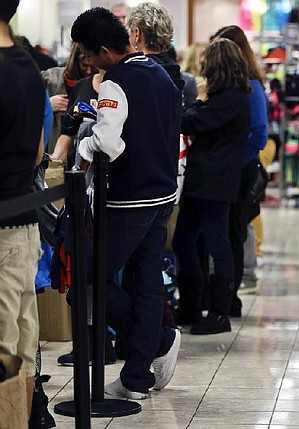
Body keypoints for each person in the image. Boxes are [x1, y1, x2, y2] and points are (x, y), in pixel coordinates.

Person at [71, 6, 182, 399]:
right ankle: (137, 376)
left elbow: (107, 143)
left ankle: (158, 340)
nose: (86, 62)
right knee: (147, 282)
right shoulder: (162, 74)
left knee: (89, 277)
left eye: (87, 53)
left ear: (103, 49)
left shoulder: (116, 83)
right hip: (162, 195)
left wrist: (83, 144)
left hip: (127, 200)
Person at [172, 38, 252, 334]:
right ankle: (192, 305)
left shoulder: (230, 98)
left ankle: (219, 312)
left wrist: (196, 103)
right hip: (204, 180)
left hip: (215, 182)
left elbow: (191, 121)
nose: (203, 65)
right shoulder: (227, 96)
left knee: (218, 245)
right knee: (183, 240)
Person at [0, 0, 46, 417]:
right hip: (24, 223)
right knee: (23, 343)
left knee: (4, 348)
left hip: (3, 231)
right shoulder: (28, 67)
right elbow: (37, 152)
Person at [209, 25, 268, 310]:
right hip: (229, 168)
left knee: (233, 230)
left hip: (240, 170)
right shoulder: (233, 86)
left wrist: (233, 157)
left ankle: (230, 297)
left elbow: (259, 134)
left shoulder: (251, 86)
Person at [41, 42, 97, 153]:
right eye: (84, 65)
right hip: (54, 151)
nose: (89, 71)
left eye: (93, 67)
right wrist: (47, 105)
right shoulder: (51, 79)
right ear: (75, 62)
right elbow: (24, 104)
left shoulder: (102, 85)